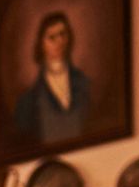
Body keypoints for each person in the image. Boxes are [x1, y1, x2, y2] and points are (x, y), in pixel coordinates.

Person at [11, 11, 92, 147]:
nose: (59, 42)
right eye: (52, 37)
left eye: (62, 34)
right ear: (41, 44)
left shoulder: (84, 83)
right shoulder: (28, 101)